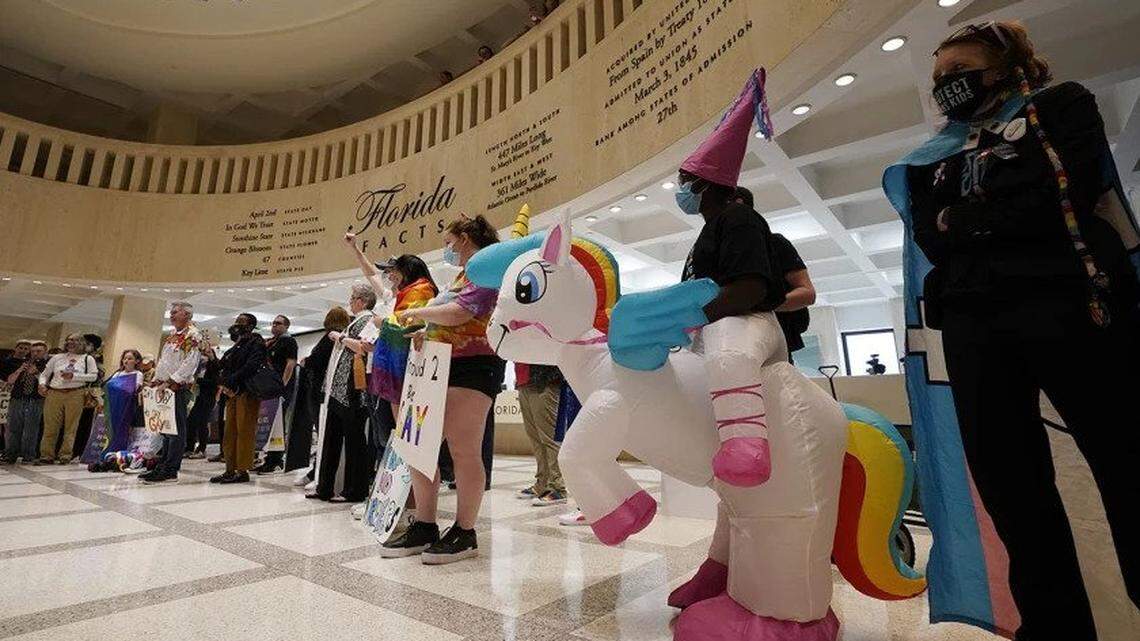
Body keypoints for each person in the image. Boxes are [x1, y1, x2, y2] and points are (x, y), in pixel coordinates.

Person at [884, 22, 1140, 641]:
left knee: (1127, 463)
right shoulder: (931, 156)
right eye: (939, 78)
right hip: (975, 326)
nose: (947, 86)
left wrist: (965, 218)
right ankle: (1054, 627)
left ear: (1006, 65)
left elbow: (1060, 195)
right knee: (1012, 489)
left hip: (1070, 306)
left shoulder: (1060, 106)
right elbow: (929, 232)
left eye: (960, 70)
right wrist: (985, 214)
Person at [381, 214, 505, 564]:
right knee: (420, 446)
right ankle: (425, 523)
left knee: (464, 448)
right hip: (440, 365)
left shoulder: (487, 270)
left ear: (465, 237)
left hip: (474, 365)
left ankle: (465, 532)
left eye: (448, 241)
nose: (446, 248)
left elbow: (463, 313)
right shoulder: (465, 274)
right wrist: (427, 330)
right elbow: (451, 317)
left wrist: (420, 315)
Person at [308, 285, 376, 502]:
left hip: (351, 391)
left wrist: (340, 338)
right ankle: (325, 486)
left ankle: (355, 490)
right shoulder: (356, 321)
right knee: (330, 439)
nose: (351, 301)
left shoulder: (368, 320)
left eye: (354, 297)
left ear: (363, 301)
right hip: (336, 390)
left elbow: (365, 347)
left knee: (354, 440)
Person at [734, 186, 816, 361]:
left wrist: (755, 306)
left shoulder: (773, 244)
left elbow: (807, 293)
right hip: (734, 343)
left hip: (772, 341)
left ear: (738, 205)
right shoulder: (719, 253)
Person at [138, 303, 201, 483]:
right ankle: (162, 464)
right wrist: (156, 381)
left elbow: (190, 363)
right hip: (163, 387)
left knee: (176, 430)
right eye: (171, 313)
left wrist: (171, 381)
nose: (171, 315)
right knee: (165, 429)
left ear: (187, 315)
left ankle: (171, 469)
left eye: (175, 313)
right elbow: (164, 361)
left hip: (177, 388)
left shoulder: (192, 335)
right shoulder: (172, 336)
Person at [290, 306, 351, 487]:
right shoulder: (342, 338)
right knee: (326, 434)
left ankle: (319, 474)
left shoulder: (330, 338)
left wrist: (306, 361)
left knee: (324, 433)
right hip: (326, 392)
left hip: (320, 392)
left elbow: (317, 361)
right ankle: (317, 472)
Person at [213, 313, 266, 484]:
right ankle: (229, 469)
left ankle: (242, 471)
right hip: (232, 393)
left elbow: (252, 366)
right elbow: (223, 365)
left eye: (241, 321)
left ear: (251, 325)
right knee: (230, 432)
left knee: (244, 431)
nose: (237, 324)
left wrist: (231, 381)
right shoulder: (237, 344)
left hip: (247, 392)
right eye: (237, 321)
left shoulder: (256, 342)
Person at [37, 333, 99, 464]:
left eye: (75, 340)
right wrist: (42, 384)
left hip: (76, 393)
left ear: (82, 343)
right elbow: (44, 374)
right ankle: (46, 456)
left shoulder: (88, 359)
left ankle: (65, 455)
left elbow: (93, 376)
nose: (71, 342)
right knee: (50, 426)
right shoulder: (57, 358)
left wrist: (74, 376)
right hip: (54, 393)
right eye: (69, 339)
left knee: (71, 427)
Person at [514, 363, 567, 505]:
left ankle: (557, 488)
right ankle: (542, 483)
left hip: (544, 378)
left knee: (550, 437)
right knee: (535, 437)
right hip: (524, 379)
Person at [254, 315, 297, 475]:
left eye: (278, 323)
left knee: (278, 424)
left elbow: (290, 364)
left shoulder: (289, 341)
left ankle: (276, 460)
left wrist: (282, 385)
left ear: (286, 326)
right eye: (273, 323)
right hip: (269, 389)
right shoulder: (272, 342)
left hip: (280, 389)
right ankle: (269, 458)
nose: (274, 326)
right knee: (269, 423)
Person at [2, 340, 47, 463]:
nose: (35, 354)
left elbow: (47, 383)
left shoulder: (47, 365)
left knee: (31, 429)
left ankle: (28, 455)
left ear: (44, 352)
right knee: (12, 428)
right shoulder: (22, 363)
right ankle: (10, 454)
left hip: (35, 399)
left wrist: (37, 373)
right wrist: (20, 370)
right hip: (17, 398)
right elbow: (10, 381)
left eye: (38, 351)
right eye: (33, 351)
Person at [102, 349, 144, 456]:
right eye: (125, 358)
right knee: (112, 429)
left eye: (130, 358)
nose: (126, 361)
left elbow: (135, 388)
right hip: (114, 405)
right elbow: (107, 387)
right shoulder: (117, 374)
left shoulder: (138, 374)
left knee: (123, 429)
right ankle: (108, 451)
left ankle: (119, 452)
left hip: (127, 406)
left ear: (137, 361)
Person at [185, 342, 220, 459]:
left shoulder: (214, 366)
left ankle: (202, 448)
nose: (204, 355)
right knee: (191, 421)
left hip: (208, 396)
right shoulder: (198, 367)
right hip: (197, 396)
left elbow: (215, 382)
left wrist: (199, 381)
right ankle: (189, 447)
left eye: (207, 352)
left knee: (202, 422)